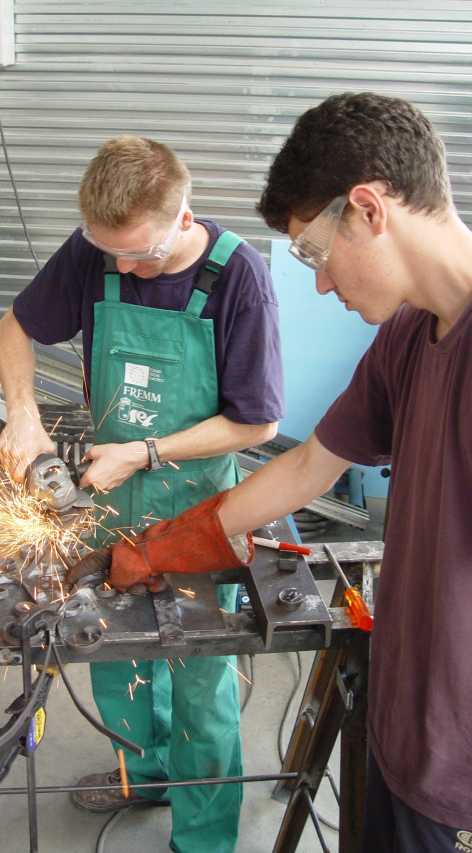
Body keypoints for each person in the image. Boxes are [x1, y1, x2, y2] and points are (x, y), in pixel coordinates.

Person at [71, 93, 472, 852]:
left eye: (314, 254)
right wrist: (157, 548)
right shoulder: (410, 334)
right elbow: (307, 465)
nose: (319, 285)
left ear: (366, 209)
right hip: (400, 729)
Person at [0, 135, 285, 853]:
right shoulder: (96, 248)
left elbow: (256, 422)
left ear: (183, 218)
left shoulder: (237, 275)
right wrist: (23, 409)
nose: (121, 267)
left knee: (198, 682)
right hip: (106, 505)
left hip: (196, 508)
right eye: (109, 252)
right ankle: (143, 773)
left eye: (139, 255)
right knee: (114, 657)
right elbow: (14, 327)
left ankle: (205, 837)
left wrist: (145, 451)